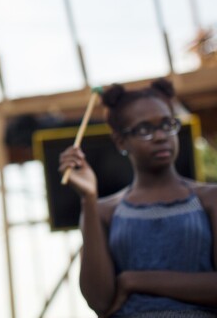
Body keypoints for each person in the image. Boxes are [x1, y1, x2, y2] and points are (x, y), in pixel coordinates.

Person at [59, 79, 217, 317]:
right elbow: (99, 301)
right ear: (121, 141)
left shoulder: (209, 198)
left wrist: (134, 280)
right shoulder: (104, 211)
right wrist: (88, 199)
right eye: (144, 129)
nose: (160, 136)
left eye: (167, 124)